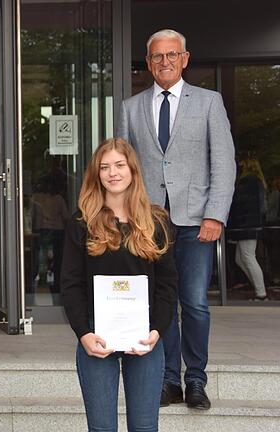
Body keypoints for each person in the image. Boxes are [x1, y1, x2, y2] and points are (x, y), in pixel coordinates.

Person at [115, 28, 236, 410]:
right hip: (147, 222)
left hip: (197, 220)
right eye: (156, 57)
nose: (164, 62)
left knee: (195, 302)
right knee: (158, 301)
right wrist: (123, 216)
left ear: (184, 58)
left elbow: (224, 163)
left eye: (172, 55)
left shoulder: (210, 102)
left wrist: (215, 215)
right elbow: (121, 167)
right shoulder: (130, 108)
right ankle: (168, 380)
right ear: (148, 62)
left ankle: (196, 379)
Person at [61, 138, 177, 432]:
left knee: (145, 427)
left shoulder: (156, 221)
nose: (113, 173)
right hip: (96, 335)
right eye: (105, 167)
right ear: (96, 174)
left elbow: (168, 284)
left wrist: (156, 331)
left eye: (119, 165)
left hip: (145, 337)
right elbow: (71, 284)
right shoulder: (81, 222)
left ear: (133, 170)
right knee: (101, 428)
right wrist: (83, 333)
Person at [227, 156, 268, 300]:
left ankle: (261, 293)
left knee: (247, 257)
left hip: (246, 225)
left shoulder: (248, 182)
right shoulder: (256, 182)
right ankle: (259, 288)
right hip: (249, 225)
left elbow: (241, 205)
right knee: (241, 258)